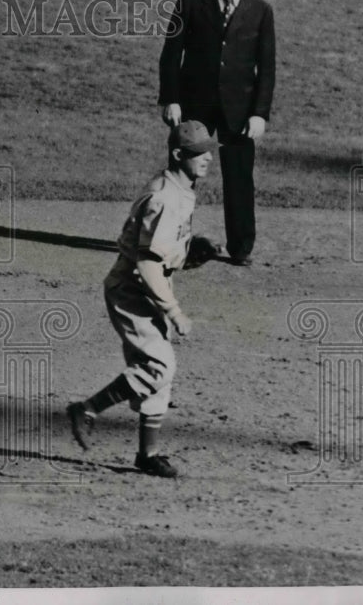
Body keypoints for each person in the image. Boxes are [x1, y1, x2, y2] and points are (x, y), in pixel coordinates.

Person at [67, 121, 219, 478]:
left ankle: (147, 456)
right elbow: (148, 264)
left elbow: (163, 255)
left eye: (210, 150)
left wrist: (190, 255)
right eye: (200, 153)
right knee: (159, 366)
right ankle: (87, 409)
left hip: (145, 289)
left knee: (158, 373)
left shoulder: (181, 187)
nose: (208, 158)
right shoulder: (165, 197)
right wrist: (174, 311)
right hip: (132, 291)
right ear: (179, 155)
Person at [158, 0, 275, 266]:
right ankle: (172, 242)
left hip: (240, 111)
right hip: (194, 105)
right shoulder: (190, 1)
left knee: (239, 177)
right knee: (183, 174)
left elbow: (266, 68)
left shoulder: (261, 10)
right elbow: (171, 55)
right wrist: (170, 98)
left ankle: (241, 248)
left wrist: (259, 113)